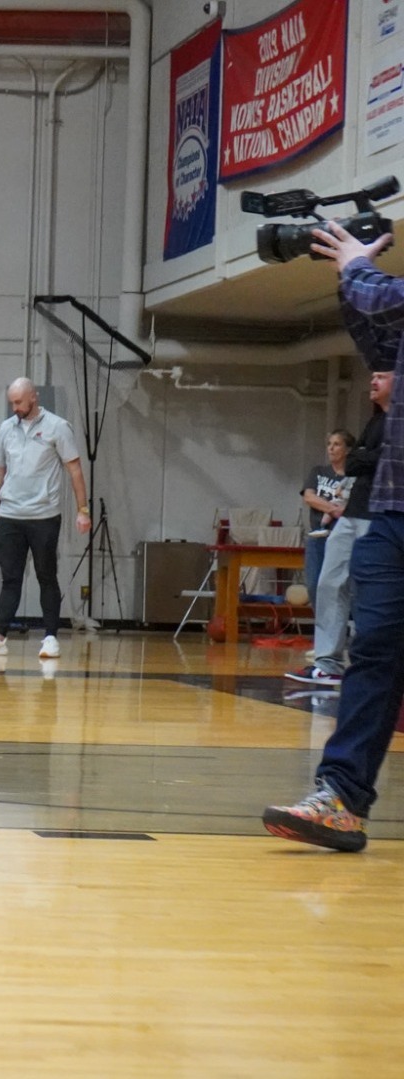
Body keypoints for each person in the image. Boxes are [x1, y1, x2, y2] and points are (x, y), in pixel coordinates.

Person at [264, 220, 404, 852]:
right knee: (372, 652)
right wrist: (351, 279)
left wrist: (356, 269)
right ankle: (342, 800)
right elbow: (378, 335)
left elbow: (384, 300)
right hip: (394, 515)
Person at [0, 378, 88, 659]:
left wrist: (83, 511)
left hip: (44, 515)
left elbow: (75, 471)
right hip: (10, 514)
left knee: (47, 576)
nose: (15, 408)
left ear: (33, 398)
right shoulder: (6, 429)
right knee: (9, 578)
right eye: (12, 402)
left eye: (19, 402)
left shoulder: (58, 427)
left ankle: (50, 638)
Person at [288, 371, 391, 689]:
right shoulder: (375, 421)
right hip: (351, 514)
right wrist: (365, 457)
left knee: (370, 593)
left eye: (382, 376)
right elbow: (356, 464)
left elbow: (379, 459)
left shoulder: (398, 422)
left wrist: (364, 457)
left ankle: (368, 664)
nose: (372, 380)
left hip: (379, 516)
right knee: (329, 584)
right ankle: (327, 663)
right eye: (371, 375)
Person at [301, 429, 355, 596]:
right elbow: (309, 497)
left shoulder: (353, 477)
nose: (331, 448)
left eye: (337, 444)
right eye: (329, 444)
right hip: (318, 536)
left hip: (343, 537)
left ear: (347, 450)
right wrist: (333, 509)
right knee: (314, 585)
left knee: (342, 586)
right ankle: (322, 622)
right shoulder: (318, 472)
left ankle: (346, 622)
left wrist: (336, 510)